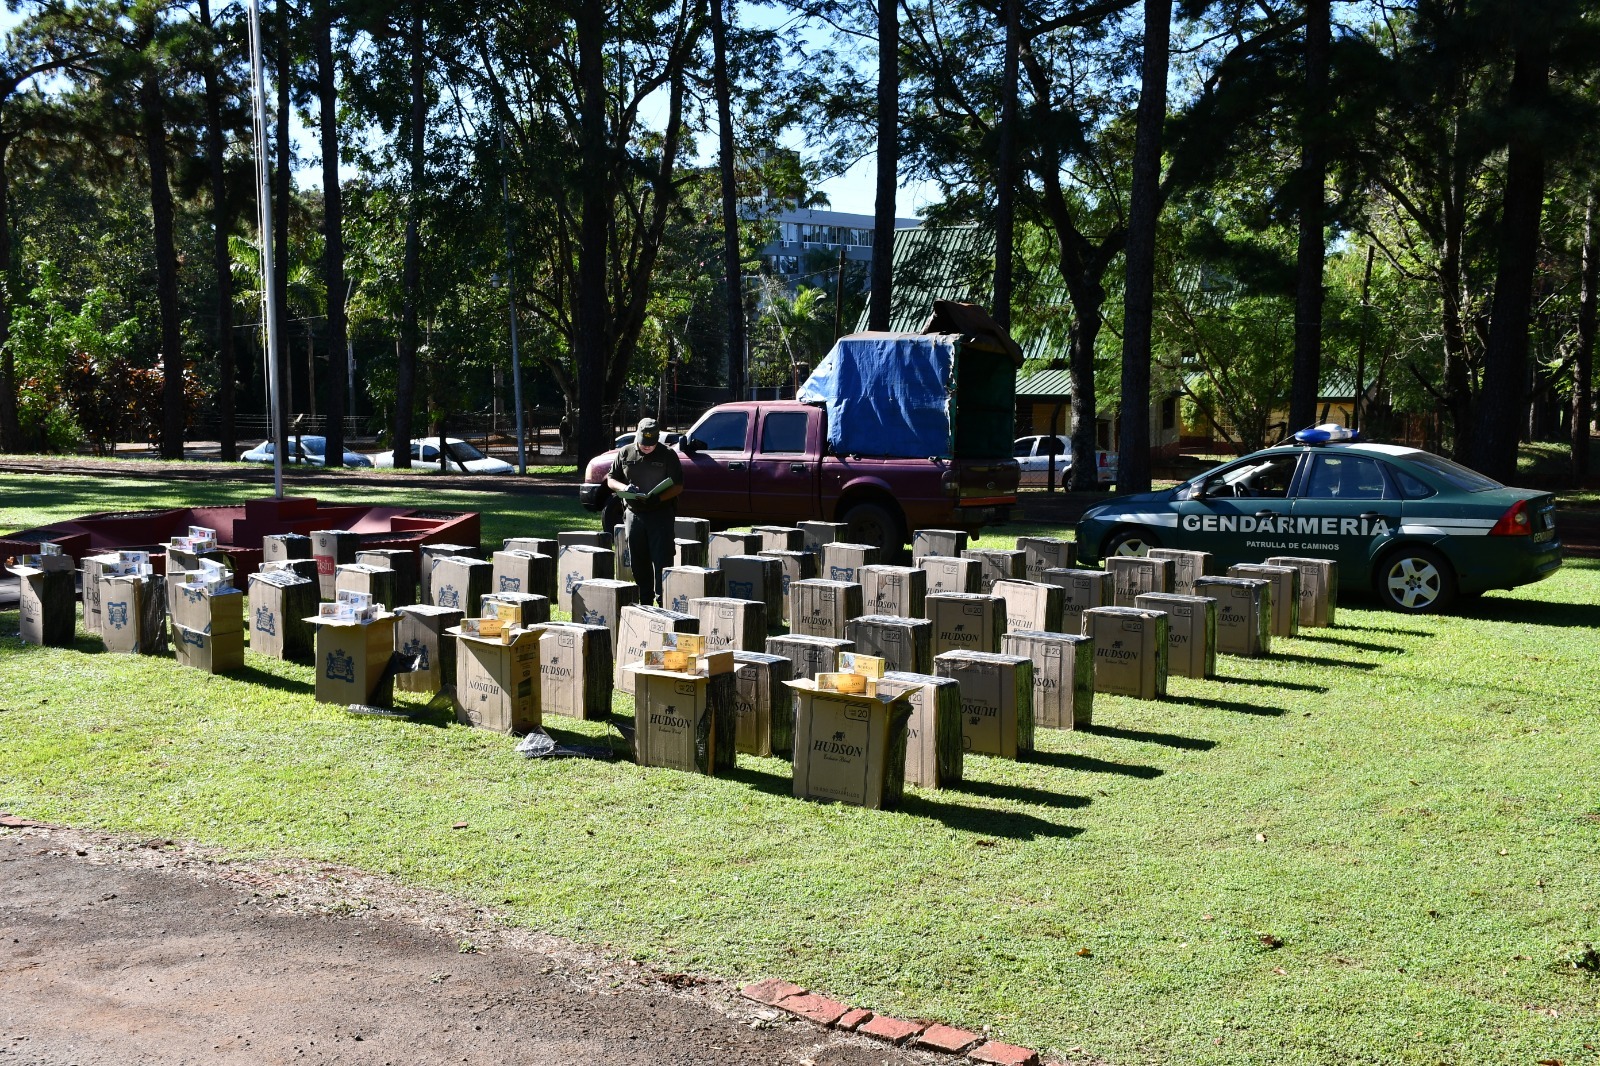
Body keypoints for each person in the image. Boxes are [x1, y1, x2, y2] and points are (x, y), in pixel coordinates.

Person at [605, 418, 684, 606]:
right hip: (635, 514)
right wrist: (624, 487)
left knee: (662, 558)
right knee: (638, 559)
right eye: (643, 443)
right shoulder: (625, 452)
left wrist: (659, 497)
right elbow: (610, 479)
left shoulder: (668, 455)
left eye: (651, 443)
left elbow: (678, 485)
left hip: (660, 514)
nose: (647, 447)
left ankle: (663, 600)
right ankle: (645, 600)